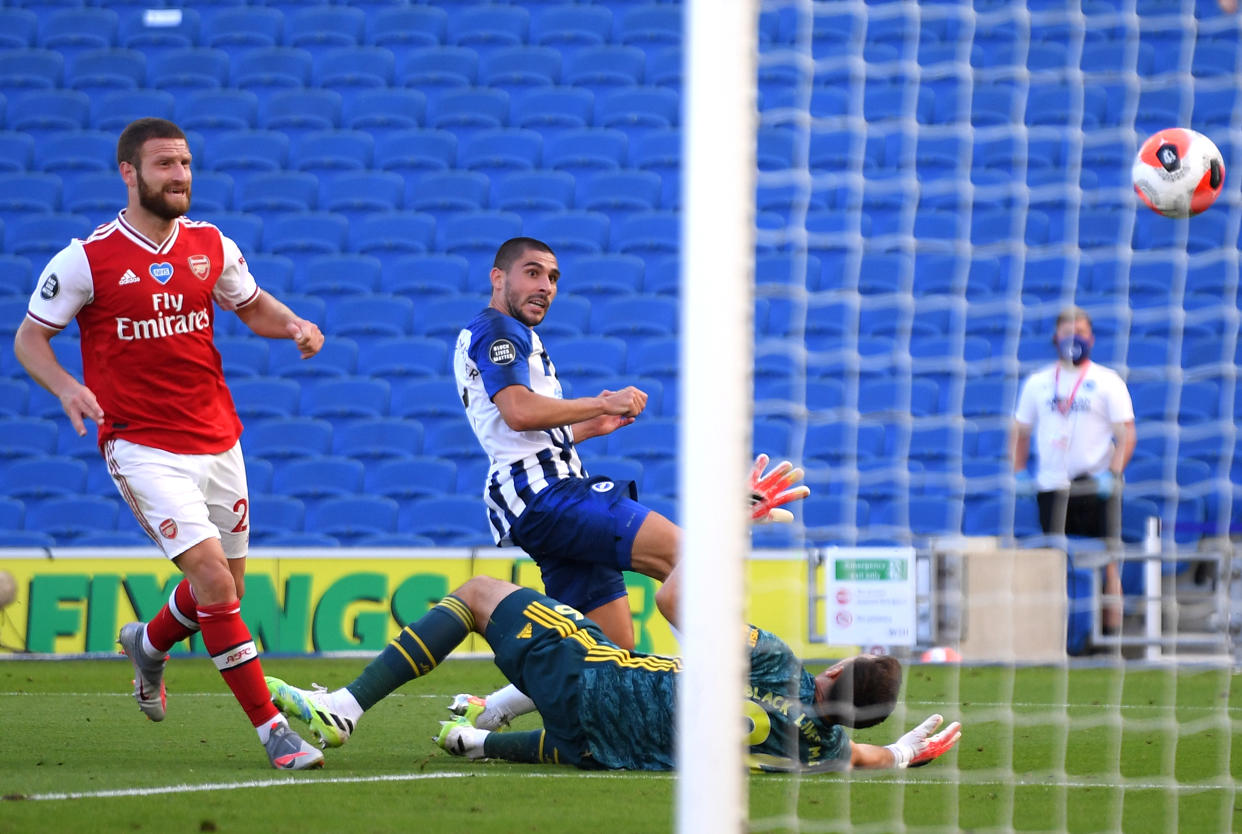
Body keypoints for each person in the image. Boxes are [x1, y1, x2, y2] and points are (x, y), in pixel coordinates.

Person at [13, 118, 326, 770]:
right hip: (142, 445)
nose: (180, 175)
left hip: (219, 438)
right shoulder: (86, 259)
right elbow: (29, 339)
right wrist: (68, 389)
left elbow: (252, 305)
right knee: (212, 579)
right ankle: (273, 731)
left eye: (185, 163)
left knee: (223, 594)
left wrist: (292, 323)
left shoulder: (211, 245)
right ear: (129, 173)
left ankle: (147, 645)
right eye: (165, 165)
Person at [451, 236, 807, 650]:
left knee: (610, 652)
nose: (546, 286)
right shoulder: (500, 331)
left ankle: (487, 709)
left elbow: (516, 430)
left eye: (552, 278)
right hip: (547, 494)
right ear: (498, 278)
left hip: (536, 495)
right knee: (688, 558)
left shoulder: (494, 333)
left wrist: (591, 427)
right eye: (532, 273)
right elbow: (519, 411)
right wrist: (599, 403)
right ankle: (752, 682)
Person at [265, 567, 961, 771]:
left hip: (595, 680)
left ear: (834, 677)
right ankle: (479, 735)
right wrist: (900, 752)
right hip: (598, 747)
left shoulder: (778, 663)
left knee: (481, 597)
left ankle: (346, 709)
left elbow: (674, 596)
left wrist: (734, 517)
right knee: (600, 701)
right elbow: (865, 753)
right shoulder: (824, 746)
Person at [1010, 306, 1136, 638]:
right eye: (1067, 331)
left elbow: (1127, 434)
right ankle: (1054, 634)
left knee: (1108, 560)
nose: (1073, 338)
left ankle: (1111, 634)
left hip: (1095, 484)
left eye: (1080, 331)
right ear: (1055, 337)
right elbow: (1020, 431)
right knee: (1053, 562)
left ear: (1091, 337)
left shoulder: (1107, 381)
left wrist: (1113, 473)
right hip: (1051, 486)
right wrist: (1019, 472)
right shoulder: (1037, 383)